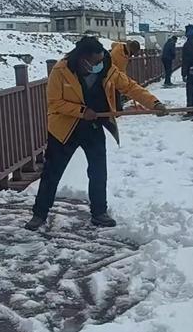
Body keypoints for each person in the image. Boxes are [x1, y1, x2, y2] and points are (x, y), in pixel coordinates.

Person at [26, 36, 166, 231]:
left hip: (93, 126)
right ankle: (39, 213)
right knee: (52, 172)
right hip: (64, 129)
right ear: (82, 59)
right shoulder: (61, 70)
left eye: (101, 60)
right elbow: (55, 102)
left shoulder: (107, 68)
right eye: (95, 62)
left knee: (98, 171)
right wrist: (82, 111)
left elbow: (129, 86)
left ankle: (99, 212)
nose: (100, 64)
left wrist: (154, 103)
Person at [110, 40, 141, 111]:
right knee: (116, 92)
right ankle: (117, 110)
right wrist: (127, 84)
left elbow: (113, 44)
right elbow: (121, 72)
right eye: (133, 53)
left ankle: (117, 108)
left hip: (114, 73)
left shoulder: (121, 48)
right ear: (131, 49)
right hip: (112, 76)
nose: (132, 55)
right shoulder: (121, 56)